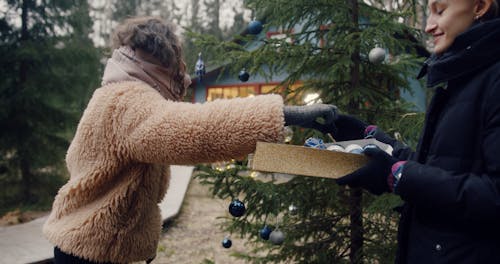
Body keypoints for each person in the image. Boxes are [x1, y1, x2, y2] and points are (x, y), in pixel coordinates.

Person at [42, 16, 337, 264]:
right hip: (94, 251)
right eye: (177, 61)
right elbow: (196, 131)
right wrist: (290, 115)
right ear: (164, 60)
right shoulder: (127, 99)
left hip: (88, 245)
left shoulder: (115, 92)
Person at [333, 0, 500, 263]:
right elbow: (435, 168)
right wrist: (369, 137)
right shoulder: (461, 78)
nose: (428, 26)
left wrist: (397, 175)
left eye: (440, 11)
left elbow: (494, 196)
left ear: (479, 6)